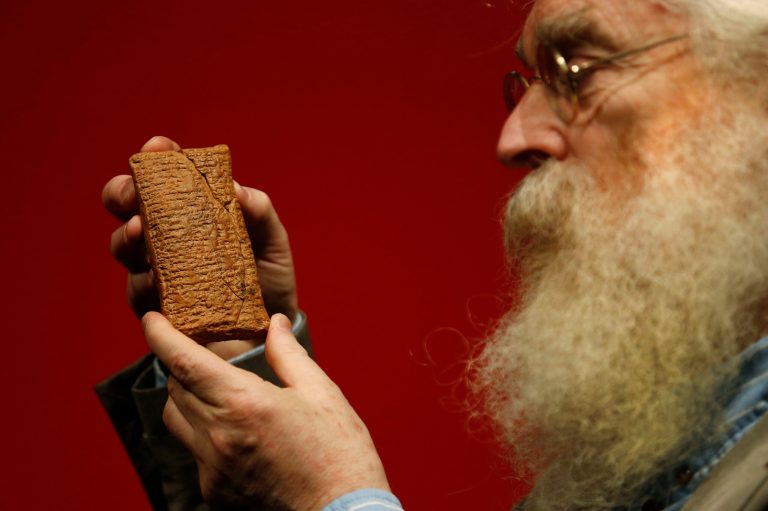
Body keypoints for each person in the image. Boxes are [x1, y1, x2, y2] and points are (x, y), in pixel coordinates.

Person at [101, 0, 768, 510]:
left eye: (578, 67)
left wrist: (336, 497)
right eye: (527, 81)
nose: (513, 136)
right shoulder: (655, 438)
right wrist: (244, 362)